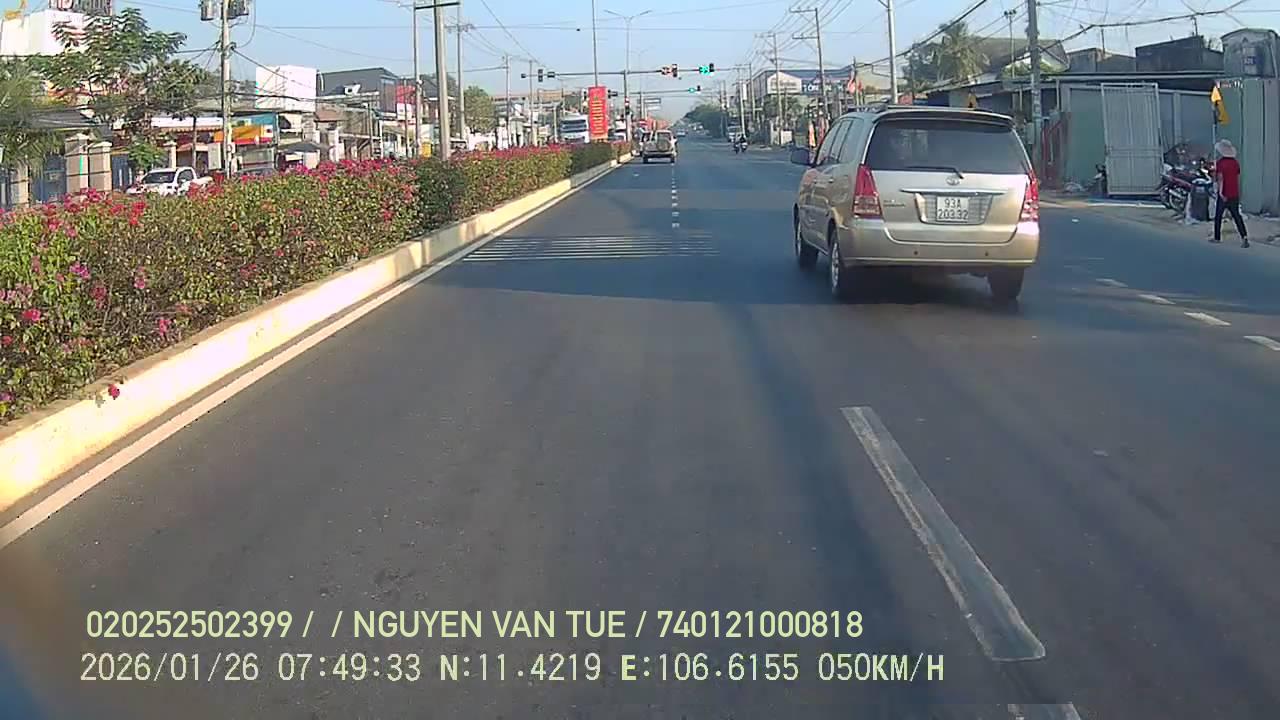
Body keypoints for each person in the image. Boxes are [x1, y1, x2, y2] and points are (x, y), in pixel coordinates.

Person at [1211, 139, 1249, 248]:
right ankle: (1244, 237)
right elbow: (1237, 178)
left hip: (1224, 193)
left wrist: (1221, 193)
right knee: (1237, 216)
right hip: (1234, 193)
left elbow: (1220, 179)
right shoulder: (1235, 163)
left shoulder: (1220, 163)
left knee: (1218, 216)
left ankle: (1217, 237)